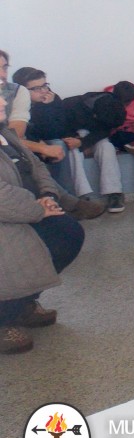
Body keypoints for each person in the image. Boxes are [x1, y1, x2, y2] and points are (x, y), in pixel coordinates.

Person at [0, 97, 85, 355]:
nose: (3, 101)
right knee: (19, 248)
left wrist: (49, 196)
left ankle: (23, 303)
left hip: (28, 209)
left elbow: (36, 167)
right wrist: (38, 209)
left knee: (68, 232)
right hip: (10, 216)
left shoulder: (6, 134)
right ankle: (4, 318)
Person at [12, 68, 113, 217]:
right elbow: (18, 135)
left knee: (59, 145)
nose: (43, 91)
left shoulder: (52, 100)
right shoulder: (14, 103)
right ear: (22, 90)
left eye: (45, 85)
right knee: (54, 148)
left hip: (46, 141)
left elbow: (55, 131)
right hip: (23, 146)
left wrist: (47, 107)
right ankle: (68, 203)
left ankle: (70, 200)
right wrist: (39, 144)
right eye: (36, 88)